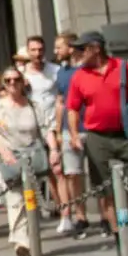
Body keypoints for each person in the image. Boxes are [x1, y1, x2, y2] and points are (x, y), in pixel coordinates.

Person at [65, 31, 128, 256]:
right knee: (106, 192)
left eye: (81, 49)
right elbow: (73, 109)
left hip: (125, 135)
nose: (77, 54)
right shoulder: (79, 76)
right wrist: (75, 134)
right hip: (97, 138)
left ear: (96, 48)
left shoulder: (123, 68)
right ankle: (119, 236)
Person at [0, 69, 47, 256]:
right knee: (15, 198)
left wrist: (53, 151)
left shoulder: (33, 106)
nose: (12, 83)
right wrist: (3, 152)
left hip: (32, 156)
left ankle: (29, 241)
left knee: (32, 201)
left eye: (16, 79)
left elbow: (44, 131)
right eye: (8, 80)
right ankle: (21, 242)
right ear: (3, 83)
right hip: (10, 157)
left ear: (22, 82)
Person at [51, 33, 89, 234]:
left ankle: (111, 219)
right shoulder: (61, 73)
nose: (55, 51)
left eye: (59, 47)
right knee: (72, 174)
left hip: (90, 126)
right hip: (68, 129)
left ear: (71, 47)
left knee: (103, 175)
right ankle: (81, 216)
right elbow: (59, 102)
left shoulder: (86, 69)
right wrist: (58, 130)